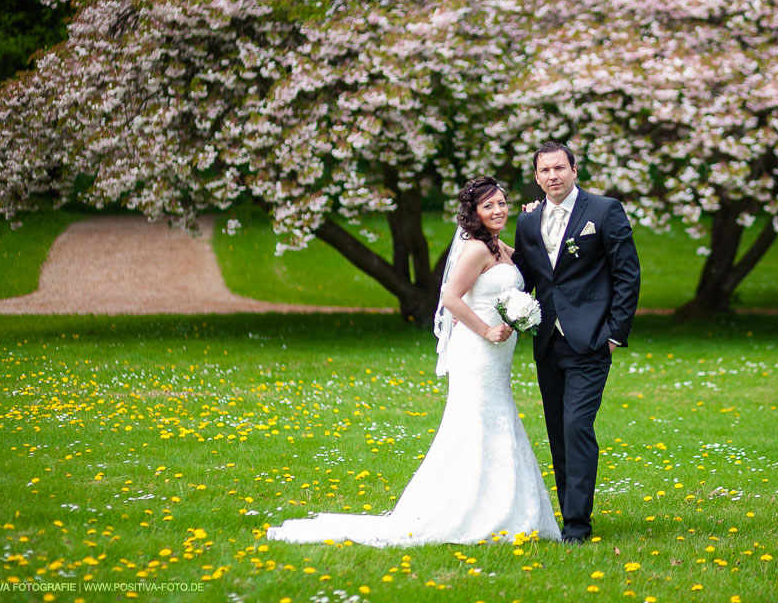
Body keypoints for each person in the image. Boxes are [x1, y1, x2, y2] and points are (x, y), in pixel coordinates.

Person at [266, 177, 560, 546]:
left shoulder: (500, 246)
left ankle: (506, 507)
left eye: (502, 203)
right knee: (475, 420)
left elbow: (526, 271)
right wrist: (486, 330)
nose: (498, 210)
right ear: (474, 212)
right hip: (479, 348)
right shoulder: (475, 250)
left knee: (497, 415)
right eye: (489, 206)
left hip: (499, 352)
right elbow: (451, 298)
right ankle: (466, 510)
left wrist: (536, 221)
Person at [512, 142, 641, 543]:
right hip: (547, 342)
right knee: (557, 431)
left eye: (559, 168)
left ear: (574, 170)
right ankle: (569, 513)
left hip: (591, 342)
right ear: (536, 177)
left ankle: (578, 526)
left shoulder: (604, 211)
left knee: (576, 426)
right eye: (544, 171)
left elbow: (627, 275)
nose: (553, 176)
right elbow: (525, 277)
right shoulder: (528, 222)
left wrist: (614, 335)